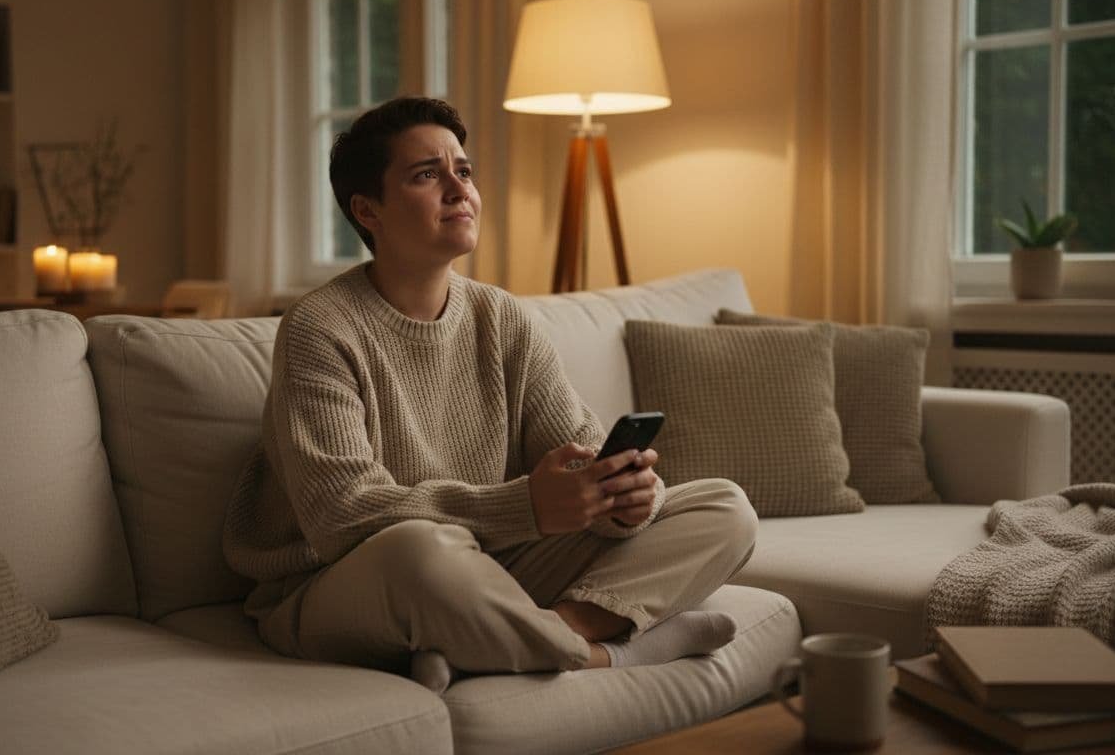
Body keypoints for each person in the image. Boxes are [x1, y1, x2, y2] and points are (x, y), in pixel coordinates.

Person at [222, 97, 757, 692]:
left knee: (724, 508)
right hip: (342, 583)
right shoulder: (320, 329)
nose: (459, 188)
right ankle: (614, 654)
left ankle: (503, 639)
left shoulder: (501, 317)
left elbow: (581, 455)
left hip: (491, 569)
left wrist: (622, 499)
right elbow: (341, 516)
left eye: (464, 171)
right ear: (367, 209)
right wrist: (525, 507)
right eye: (428, 175)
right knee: (420, 552)